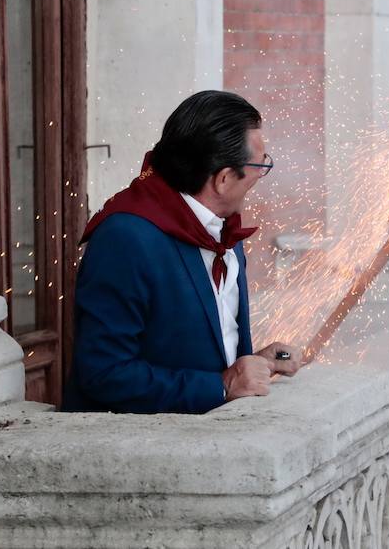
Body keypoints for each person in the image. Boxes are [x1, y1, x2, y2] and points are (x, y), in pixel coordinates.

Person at [62, 90, 303, 413]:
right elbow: (104, 373)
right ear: (223, 179)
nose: (262, 173)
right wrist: (221, 386)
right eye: (260, 165)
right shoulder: (125, 239)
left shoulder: (225, 230)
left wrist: (251, 365)